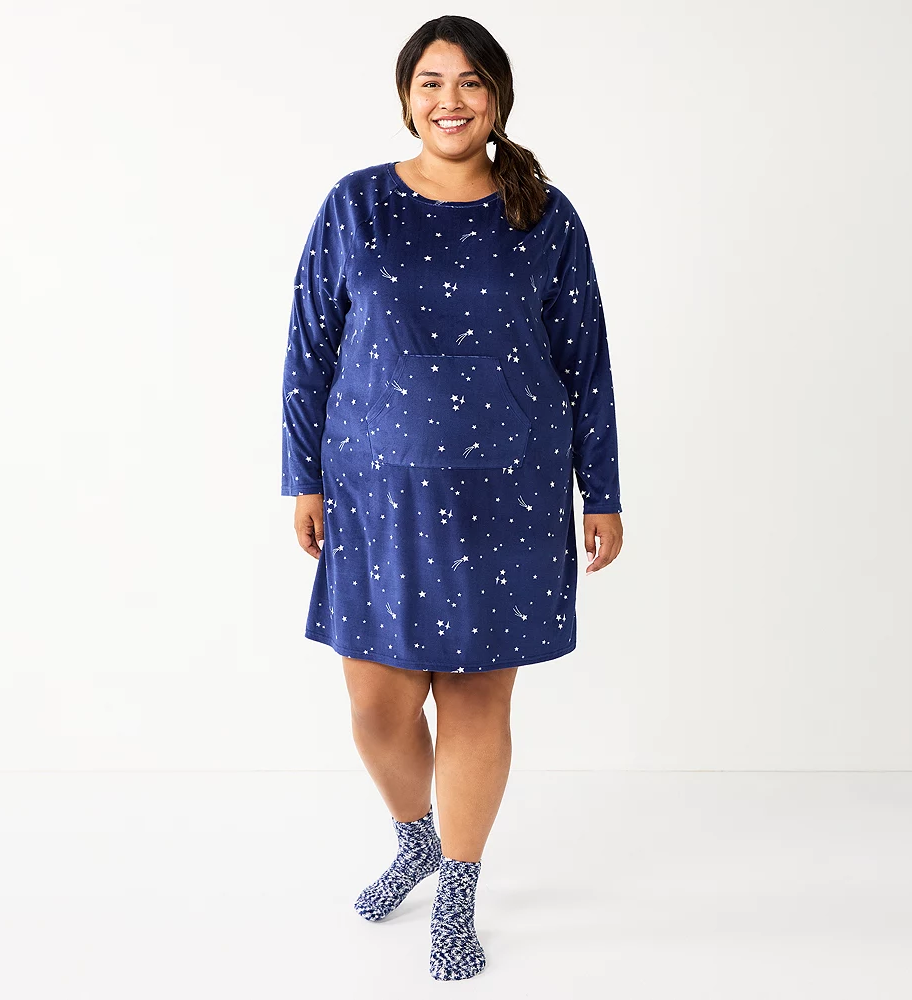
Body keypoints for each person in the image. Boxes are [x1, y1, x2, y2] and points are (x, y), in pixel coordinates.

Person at [281, 15, 624, 982]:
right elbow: (309, 348)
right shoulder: (356, 206)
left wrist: (601, 489)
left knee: (476, 698)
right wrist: (301, 475)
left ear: (498, 98)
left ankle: (458, 895)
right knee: (376, 706)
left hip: (508, 491)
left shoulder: (544, 215)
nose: (450, 100)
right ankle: (416, 840)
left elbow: (586, 360)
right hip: (373, 492)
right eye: (431, 82)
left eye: (471, 82)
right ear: (406, 98)